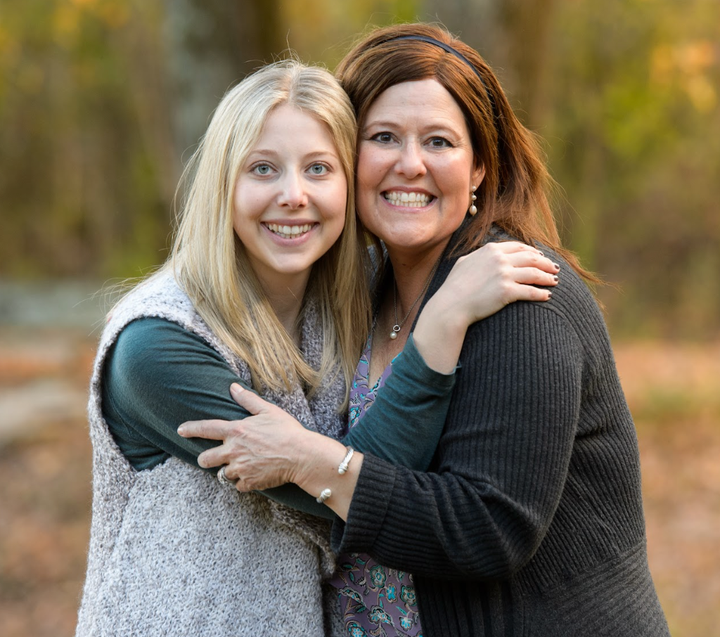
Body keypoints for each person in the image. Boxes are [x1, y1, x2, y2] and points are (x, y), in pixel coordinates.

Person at [179, 24, 671, 637]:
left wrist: (311, 461)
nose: (409, 164)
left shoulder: (523, 300)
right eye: (383, 137)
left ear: (479, 169)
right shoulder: (358, 295)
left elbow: (488, 528)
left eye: (438, 141)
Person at [75, 58, 558, 637]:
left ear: (349, 184)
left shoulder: (345, 310)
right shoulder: (158, 347)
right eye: (262, 169)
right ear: (221, 184)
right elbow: (353, 486)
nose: (293, 196)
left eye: (319, 169)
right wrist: (441, 322)